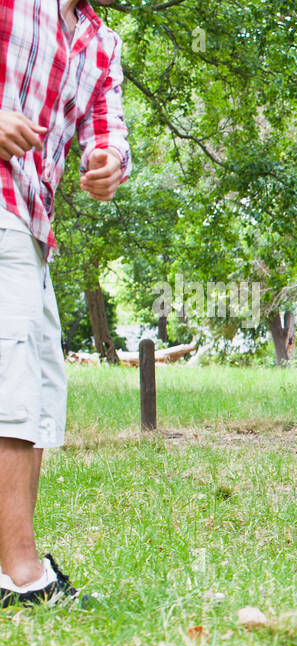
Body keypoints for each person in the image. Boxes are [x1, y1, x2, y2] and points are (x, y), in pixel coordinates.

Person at [0, 0, 132, 606]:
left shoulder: (101, 41)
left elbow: (107, 135)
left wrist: (107, 164)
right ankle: (20, 574)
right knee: (14, 392)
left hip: (31, 223)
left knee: (40, 393)